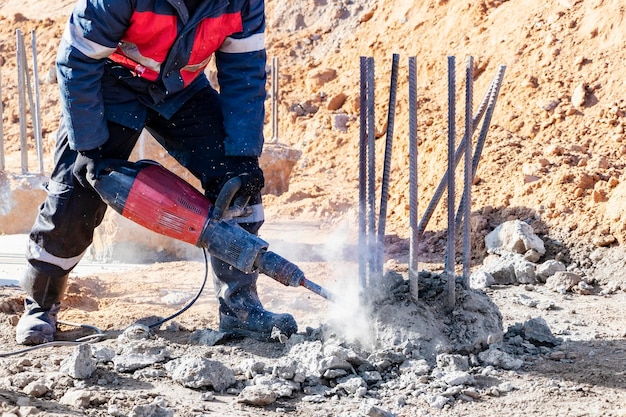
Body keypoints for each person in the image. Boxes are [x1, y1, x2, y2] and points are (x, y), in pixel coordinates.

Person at [15, 0, 298, 345]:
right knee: (78, 192)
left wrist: (243, 154)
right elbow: (78, 60)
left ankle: (239, 308)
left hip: (180, 89)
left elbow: (245, 75)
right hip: (109, 83)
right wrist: (89, 147)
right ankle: (41, 306)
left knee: (236, 181)